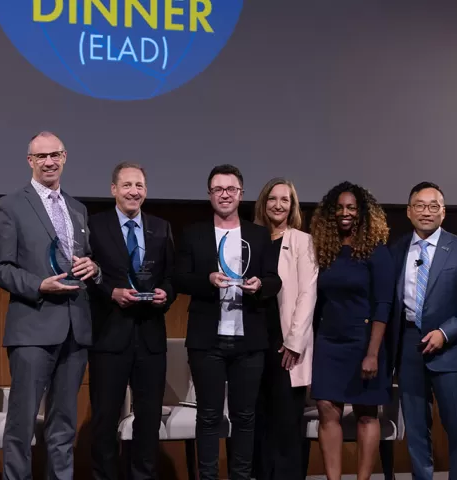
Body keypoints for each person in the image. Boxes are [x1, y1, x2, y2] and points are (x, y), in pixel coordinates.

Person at [0, 131, 101, 480]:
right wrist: (38, 284)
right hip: (33, 328)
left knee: (64, 425)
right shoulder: (9, 205)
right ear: (30, 161)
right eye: (42, 157)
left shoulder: (77, 208)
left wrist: (93, 268)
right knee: (22, 425)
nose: (50, 162)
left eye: (55, 155)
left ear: (65, 157)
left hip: (75, 328)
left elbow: (83, 259)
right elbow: (0, 268)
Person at [173, 164, 282, 480]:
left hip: (249, 341)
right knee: (208, 417)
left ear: (241, 194)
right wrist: (207, 280)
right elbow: (180, 279)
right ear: (210, 195)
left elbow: (275, 280)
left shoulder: (258, 235)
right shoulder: (194, 233)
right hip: (207, 340)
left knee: (245, 417)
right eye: (218, 189)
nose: (225, 194)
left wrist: (260, 285)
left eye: (230, 189)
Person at [389, 182, 457, 480]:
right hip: (408, 347)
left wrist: (445, 332)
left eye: (434, 206)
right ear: (408, 211)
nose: (426, 211)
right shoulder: (396, 250)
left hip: (450, 349)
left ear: (443, 213)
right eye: (420, 205)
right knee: (416, 429)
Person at [88, 162, 175, 480]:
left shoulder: (161, 227)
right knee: (104, 419)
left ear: (146, 191)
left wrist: (166, 292)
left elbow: (170, 276)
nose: (133, 191)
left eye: (139, 185)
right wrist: (111, 292)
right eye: (126, 185)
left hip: (151, 338)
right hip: (109, 337)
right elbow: (86, 276)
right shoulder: (94, 226)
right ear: (113, 189)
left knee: (148, 420)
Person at [308, 181, 394, 480]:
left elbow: (384, 304)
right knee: (326, 409)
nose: (345, 213)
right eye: (340, 208)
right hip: (328, 342)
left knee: (366, 414)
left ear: (362, 213)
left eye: (351, 208)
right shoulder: (324, 250)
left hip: (364, 342)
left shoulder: (376, 252)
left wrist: (372, 353)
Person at [253, 178, 317, 480]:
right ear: (263, 203)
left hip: (285, 343)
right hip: (253, 340)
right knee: (259, 419)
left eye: (285, 200)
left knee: (287, 421)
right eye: (272, 199)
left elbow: (308, 293)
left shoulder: (302, 241)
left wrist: (294, 341)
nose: (278, 205)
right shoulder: (252, 237)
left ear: (292, 207)